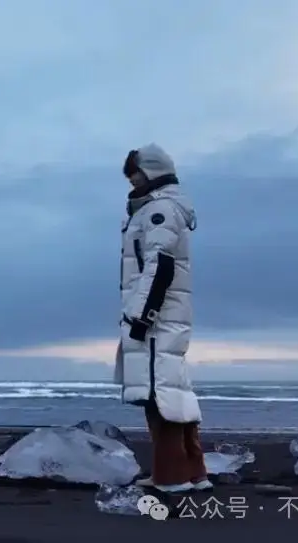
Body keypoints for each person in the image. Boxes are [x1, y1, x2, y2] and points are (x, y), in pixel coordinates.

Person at [113, 144, 211, 493]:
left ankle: (171, 477)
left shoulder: (159, 211)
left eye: (134, 173)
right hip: (166, 315)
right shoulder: (161, 209)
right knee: (174, 388)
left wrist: (141, 316)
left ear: (151, 172)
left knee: (160, 395)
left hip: (157, 317)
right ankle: (195, 472)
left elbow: (159, 265)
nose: (131, 180)